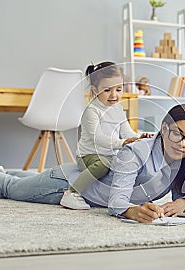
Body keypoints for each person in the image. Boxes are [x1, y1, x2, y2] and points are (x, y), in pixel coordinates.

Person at [0, 104, 185, 223]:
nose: (181, 145)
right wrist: (134, 213)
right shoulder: (134, 153)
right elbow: (117, 203)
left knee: (26, 182)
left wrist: (182, 203)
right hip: (72, 184)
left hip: (82, 190)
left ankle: (13, 173)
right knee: (14, 190)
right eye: (175, 133)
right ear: (163, 127)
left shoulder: (182, 159)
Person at [61, 61, 152, 210]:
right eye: (107, 90)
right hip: (89, 155)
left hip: (110, 155)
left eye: (118, 89)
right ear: (95, 90)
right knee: (103, 164)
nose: (114, 95)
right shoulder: (92, 111)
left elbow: (127, 132)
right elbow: (97, 138)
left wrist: (139, 138)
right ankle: (71, 193)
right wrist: (121, 143)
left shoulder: (118, 110)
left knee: (127, 164)